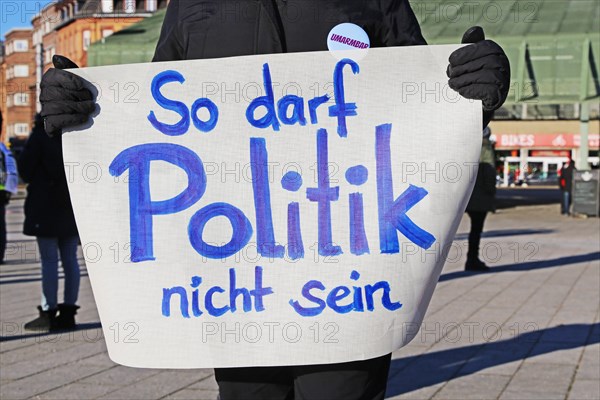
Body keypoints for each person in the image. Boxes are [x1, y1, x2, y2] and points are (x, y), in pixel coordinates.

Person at [38, 1, 511, 398]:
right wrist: (81, 111)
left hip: (347, 281)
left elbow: (418, 106)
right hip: (238, 283)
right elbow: (152, 113)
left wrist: (472, 97)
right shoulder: (191, 3)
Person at [18, 114, 81, 331]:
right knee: (71, 259)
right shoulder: (77, 131)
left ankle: (48, 313)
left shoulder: (40, 134)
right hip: (72, 205)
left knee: (49, 261)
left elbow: (25, 170)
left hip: (45, 207)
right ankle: (69, 313)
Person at [465, 126, 497, 272]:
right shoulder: (486, 148)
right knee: (476, 230)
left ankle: (471, 259)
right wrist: (491, 193)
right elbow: (489, 172)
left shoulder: (467, 145)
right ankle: (472, 259)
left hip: (467, 195)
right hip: (480, 196)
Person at [0, 110, 19, 264]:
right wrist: (9, 190)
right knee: (0, 225)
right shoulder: (2, 148)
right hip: (1, 192)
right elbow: (11, 168)